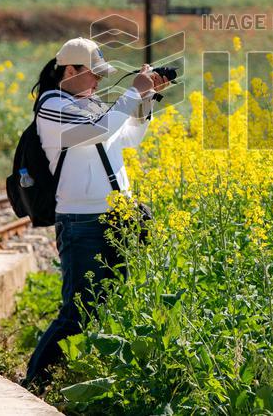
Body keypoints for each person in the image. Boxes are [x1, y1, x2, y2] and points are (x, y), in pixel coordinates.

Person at [23, 37, 167, 384]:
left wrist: (145, 99)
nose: (99, 81)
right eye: (94, 74)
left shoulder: (88, 102)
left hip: (115, 215)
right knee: (78, 309)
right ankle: (36, 380)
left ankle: (71, 375)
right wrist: (132, 92)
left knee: (107, 304)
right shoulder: (52, 105)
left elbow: (128, 137)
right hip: (81, 221)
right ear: (69, 71)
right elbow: (98, 131)